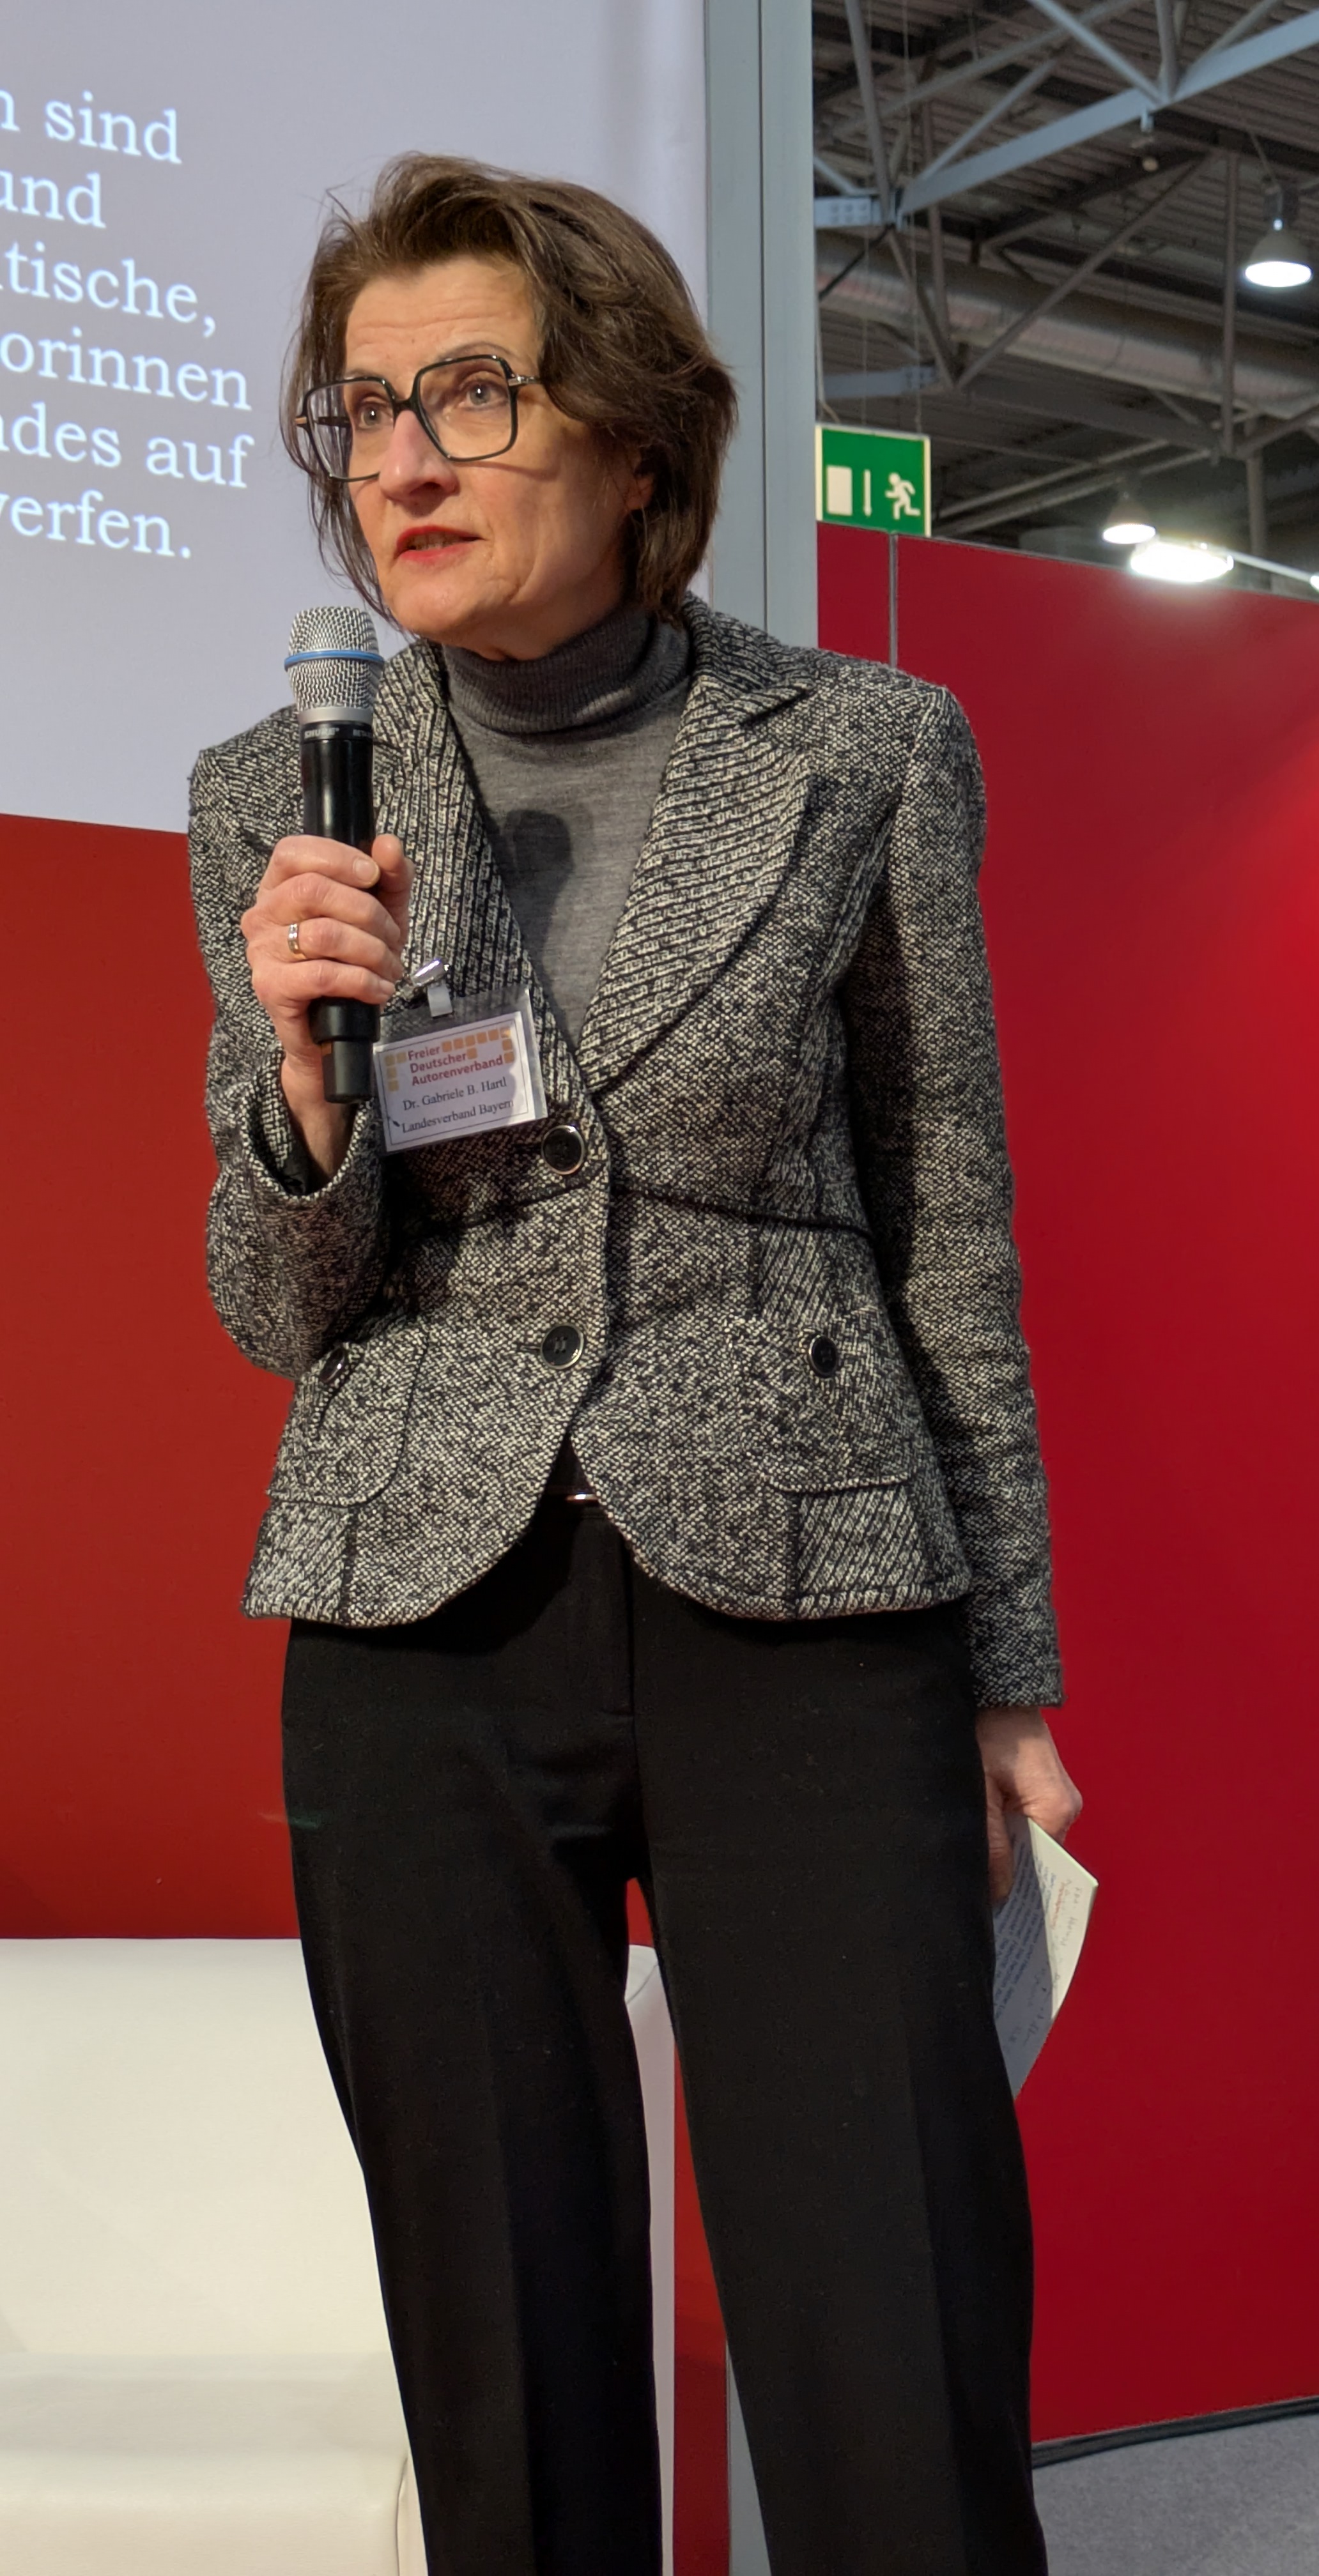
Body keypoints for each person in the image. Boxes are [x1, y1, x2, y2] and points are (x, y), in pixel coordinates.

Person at [189, 153, 1082, 2576]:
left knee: (888, 2320)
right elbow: (278, 1306)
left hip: (808, 1580)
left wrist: (1004, 1663)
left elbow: (946, 1213)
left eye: (469, 394)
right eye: (364, 411)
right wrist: (301, 1096)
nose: (401, 461)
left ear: (634, 437)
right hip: (417, 1609)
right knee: (501, 2356)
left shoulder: (861, 746)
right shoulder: (277, 791)